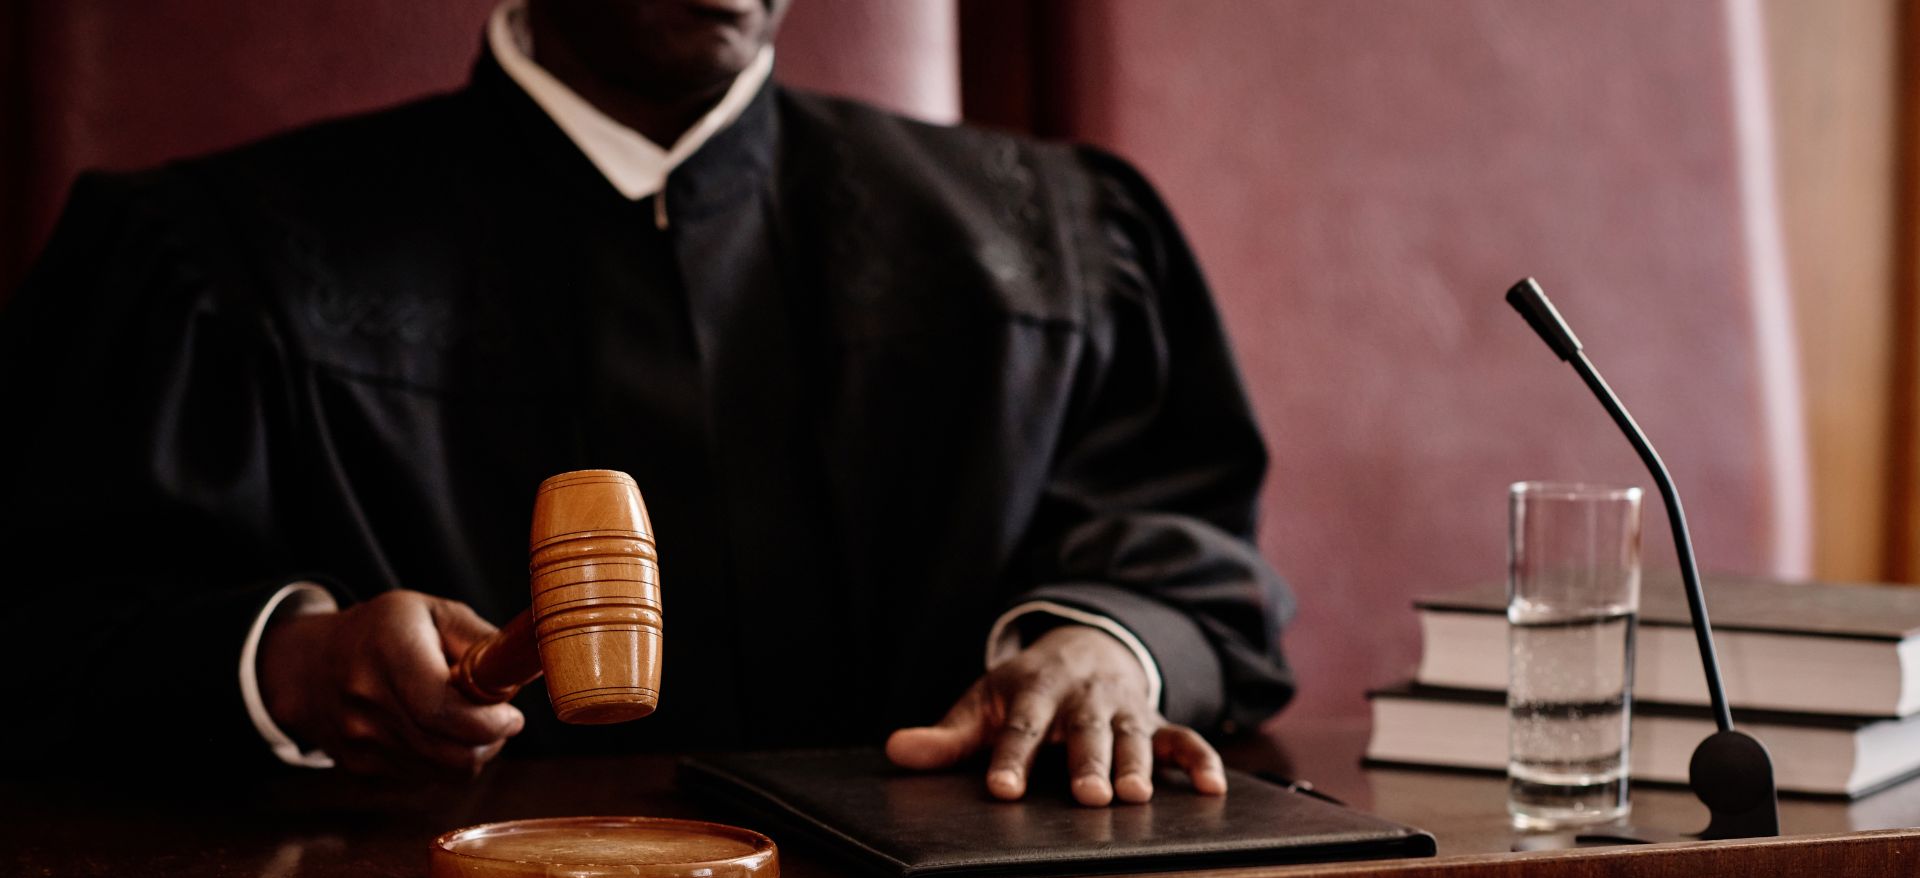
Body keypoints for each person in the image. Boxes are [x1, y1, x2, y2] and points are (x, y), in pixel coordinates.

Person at [0, 0, 1294, 806]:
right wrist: (289, 666)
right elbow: (47, 623)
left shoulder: (1054, 237)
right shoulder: (211, 258)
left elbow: (1190, 548)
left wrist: (1104, 644)